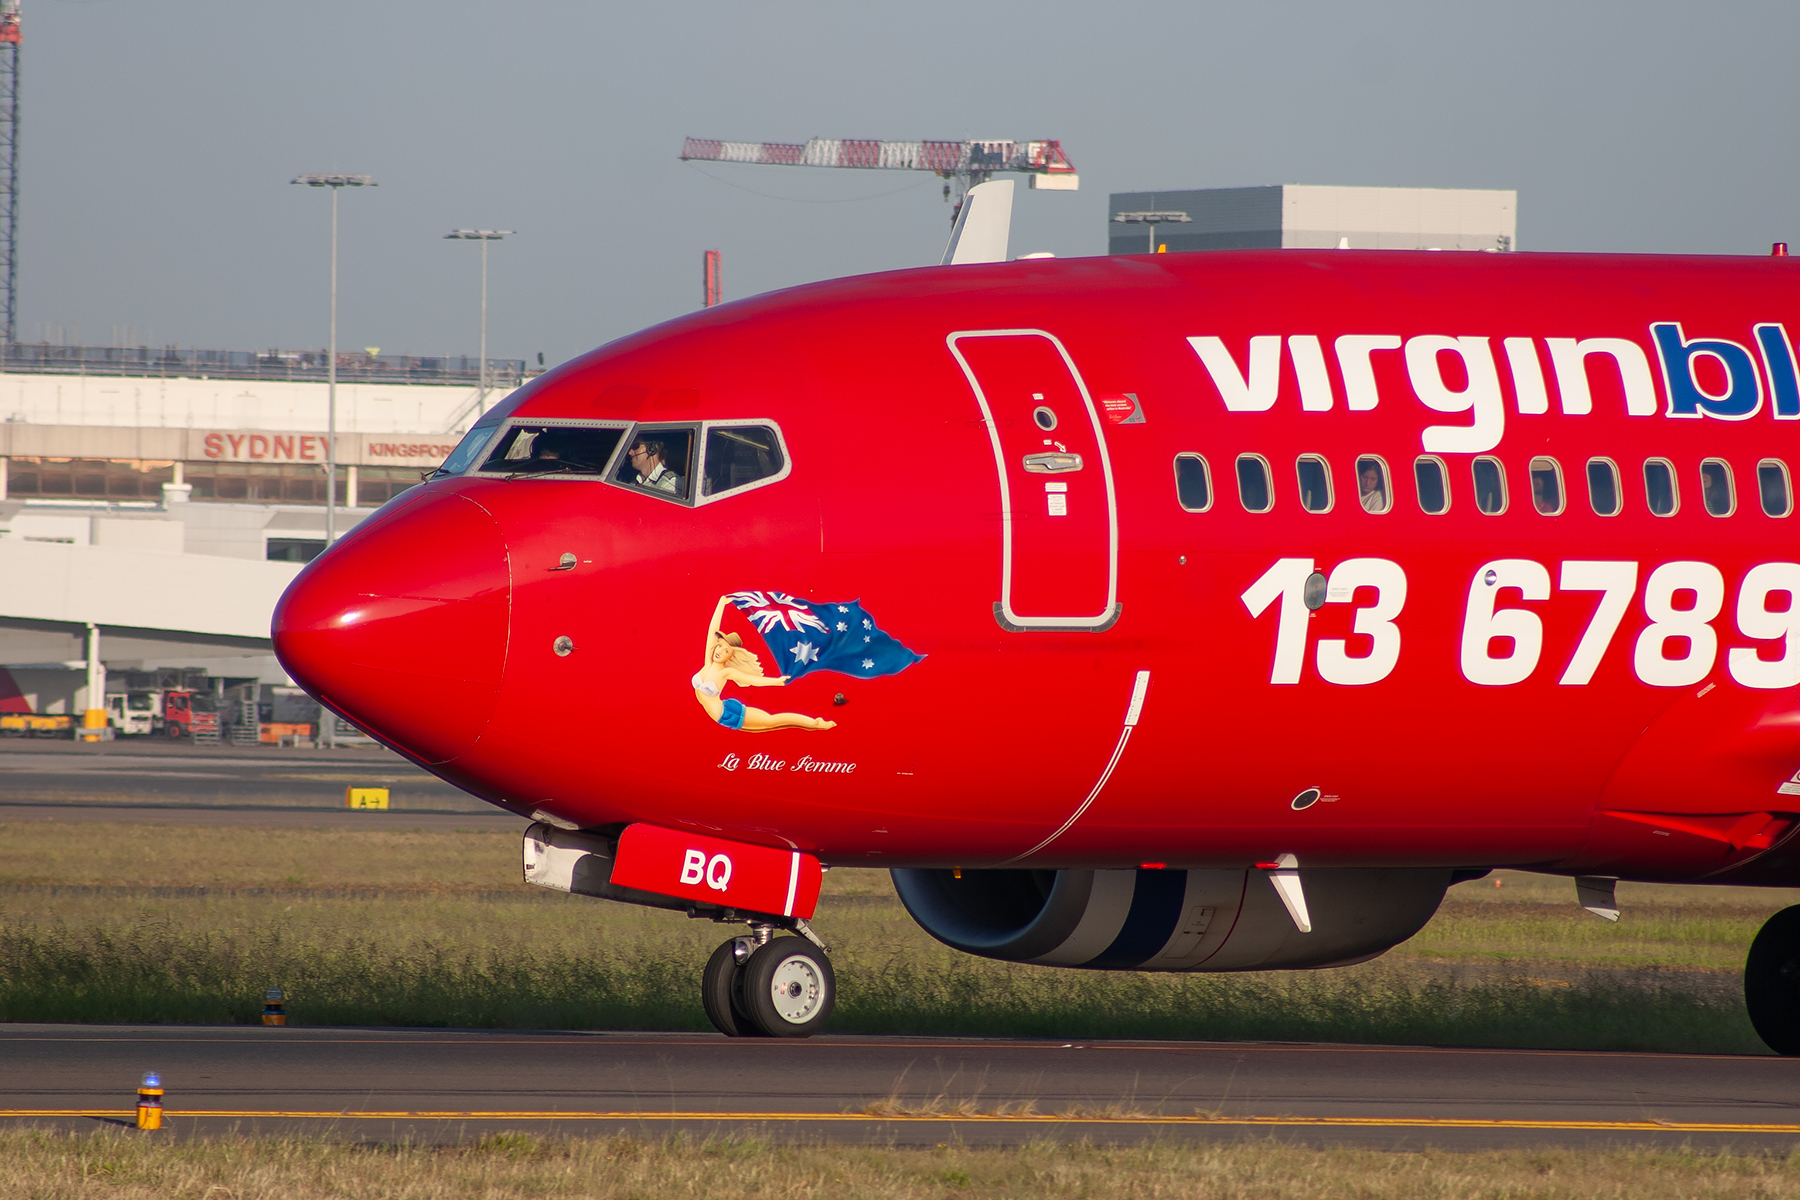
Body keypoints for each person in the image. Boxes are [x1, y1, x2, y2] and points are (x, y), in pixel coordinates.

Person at [692, 595, 836, 732]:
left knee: (771, 721)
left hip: (728, 714)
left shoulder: (726, 672)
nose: (720, 651)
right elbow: (713, 631)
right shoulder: (708, 662)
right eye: (720, 646)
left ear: (731, 657)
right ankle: (814, 724)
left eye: (726, 651)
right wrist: (721, 604)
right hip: (722, 715)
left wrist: (776, 682)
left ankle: (815, 723)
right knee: (772, 724)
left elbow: (755, 680)